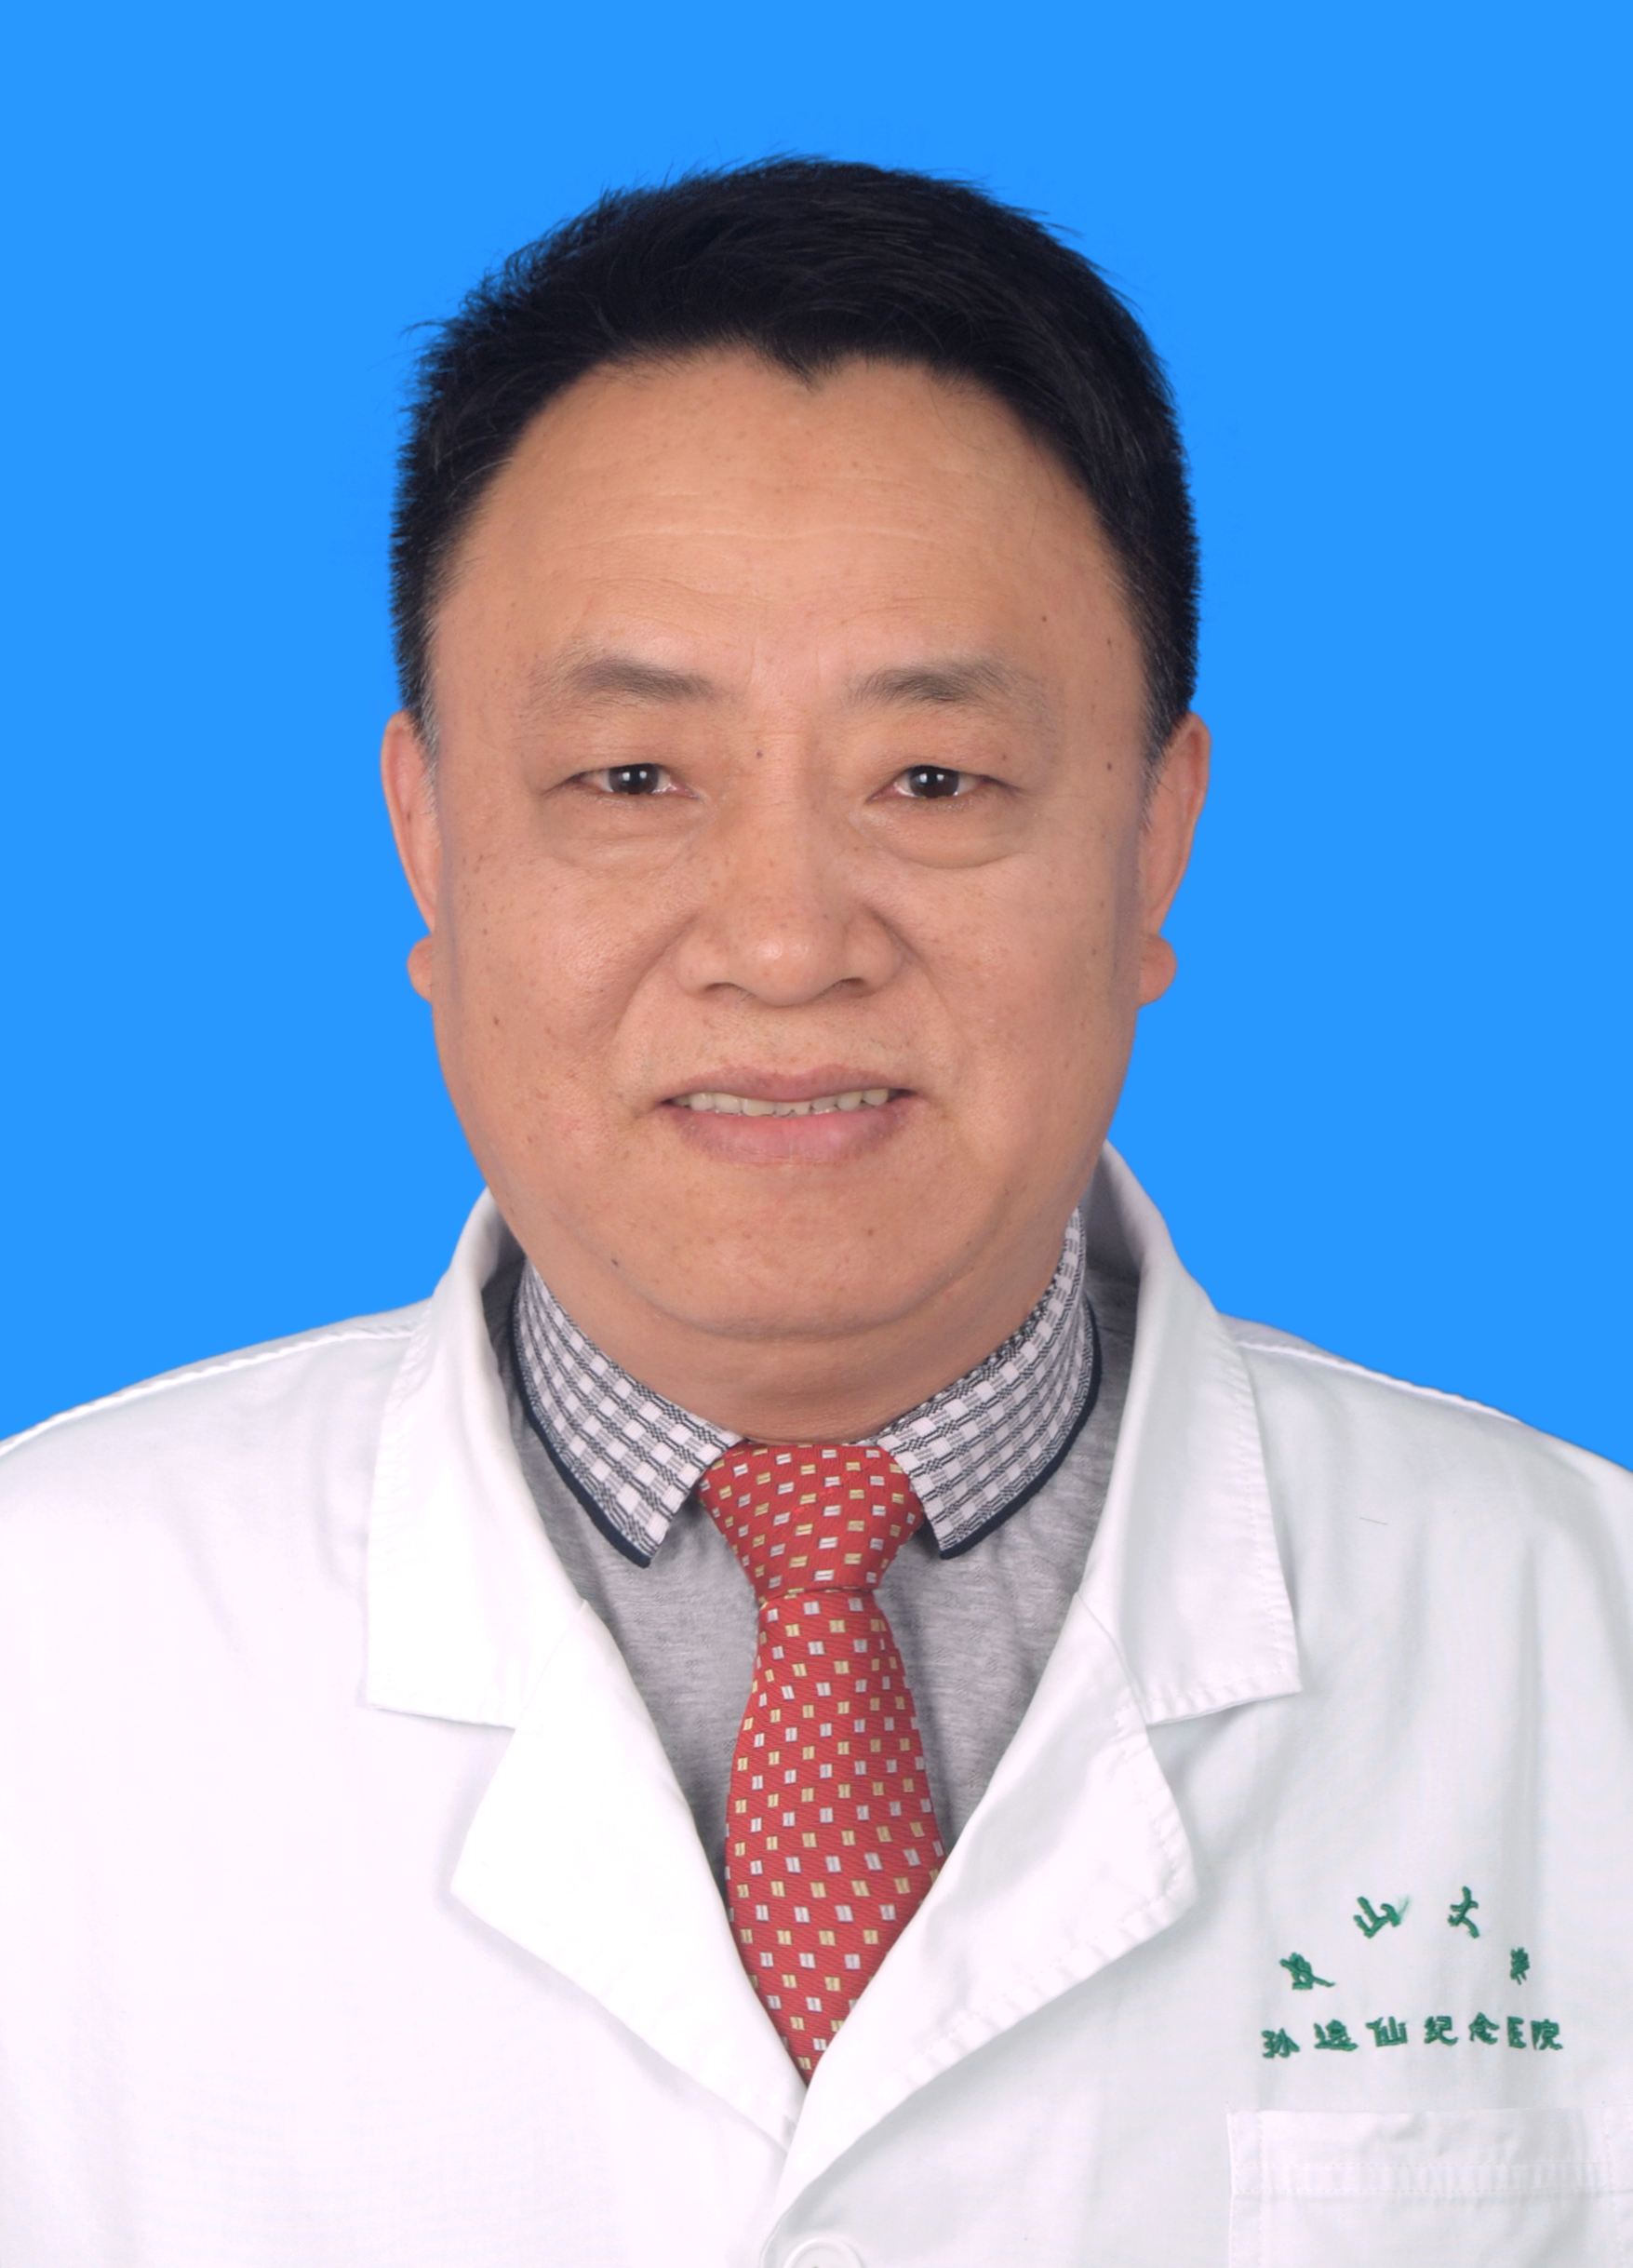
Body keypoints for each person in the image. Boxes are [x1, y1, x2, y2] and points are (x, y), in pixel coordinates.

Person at [1, 158, 1629, 2268]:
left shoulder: (1579, 1642)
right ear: (427, 838)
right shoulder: (46, 1649)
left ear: (1154, 842)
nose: (782, 943)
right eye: (631, 779)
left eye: (931, 782)